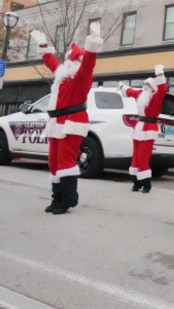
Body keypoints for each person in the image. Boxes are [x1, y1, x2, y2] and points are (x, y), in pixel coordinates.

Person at [31, 24, 103, 215]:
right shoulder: (63, 75)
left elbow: (89, 62)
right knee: (53, 162)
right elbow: (52, 63)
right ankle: (57, 198)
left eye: (70, 57)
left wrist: (93, 43)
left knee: (65, 161)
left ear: (76, 59)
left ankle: (68, 199)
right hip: (57, 121)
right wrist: (44, 45)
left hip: (73, 120)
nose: (66, 61)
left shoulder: (82, 75)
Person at [119, 65, 167, 193]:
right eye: (145, 85)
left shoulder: (157, 97)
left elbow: (163, 89)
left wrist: (160, 74)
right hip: (138, 128)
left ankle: (146, 184)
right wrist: (122, 87)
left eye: (149, 86)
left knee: (142, 158)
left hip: (149, 128)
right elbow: (130, 91)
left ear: (153, 88)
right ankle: (136, 182)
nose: (146, 87)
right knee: (135, 157)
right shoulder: (141, 95)